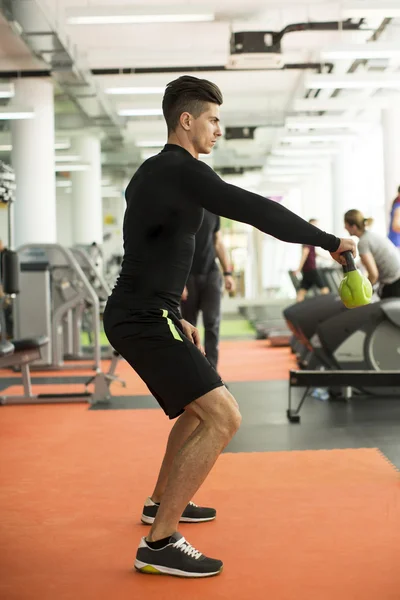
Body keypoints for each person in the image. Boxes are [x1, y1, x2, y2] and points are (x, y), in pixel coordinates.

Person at [102, 75, 356, 579]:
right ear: (187, 120)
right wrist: (329, 240)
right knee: (225, 417)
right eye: (214, 119)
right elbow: (254, 209)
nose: (219, 129)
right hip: (141, 316)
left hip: (151, 312)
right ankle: (160, 542)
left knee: (198, 413)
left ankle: (160, 505)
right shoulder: (178, 169)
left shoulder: (159, 174)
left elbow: (152, 248)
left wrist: (174, 311)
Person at [181, 209, 235, 371]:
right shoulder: (182, 211)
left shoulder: (213, 212)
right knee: (188, 326)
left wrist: (227, 273)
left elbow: (217, 242)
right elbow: (172, 246)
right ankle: (193, 372)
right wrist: (177, 282)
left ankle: (211, 373)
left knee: (212, 322)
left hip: (211, 273)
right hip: (187, 275)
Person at [344, 209, 400, 298]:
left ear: (353, 227)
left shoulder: (363, 242)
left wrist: (360, 292)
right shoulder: (371, 235)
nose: (345, 227)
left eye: (346, 224)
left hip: (394, 284)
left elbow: (373, 275)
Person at [293, 218, 330, 302]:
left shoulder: (310, 239)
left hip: (307, 270)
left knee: (302, 291)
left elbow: (314, 253)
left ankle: (298, 310)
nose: (316, 228)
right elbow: (305, 254)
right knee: (324, 289)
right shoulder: (307, 238)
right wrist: (298, 269)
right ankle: (328, 306)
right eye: (314, 225)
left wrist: (328, 258)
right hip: (311, 268)